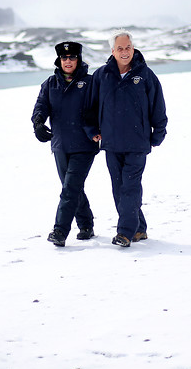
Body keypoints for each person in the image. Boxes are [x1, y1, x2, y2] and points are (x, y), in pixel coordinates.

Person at [84, 30, 167, 247]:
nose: (124, 52)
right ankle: (139, 228)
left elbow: (158, 107)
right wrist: (92, 130)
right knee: (118, 188)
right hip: (111, 144)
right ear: (112, 51)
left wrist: (157, 134)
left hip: (137, 142)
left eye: (128, 47)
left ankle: (125, 232)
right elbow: (90, 108)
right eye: (119, 48)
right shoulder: (101, 75)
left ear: (133, 48)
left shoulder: (146, 75)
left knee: (130, 187)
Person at [31, 41, 99, 247]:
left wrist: (99, 130)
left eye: (72, 57)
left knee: (70, 189)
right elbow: (41, 106)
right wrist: (38, 123)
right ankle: (86, 224)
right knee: (72, 188)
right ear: (59, 60)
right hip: (60, 145)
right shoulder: (50, 84)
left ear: (78, 59)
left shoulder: (90, 83)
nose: (68, 61)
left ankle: (60, 231)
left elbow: (101, 110)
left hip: (84, 145)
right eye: (64, 58)